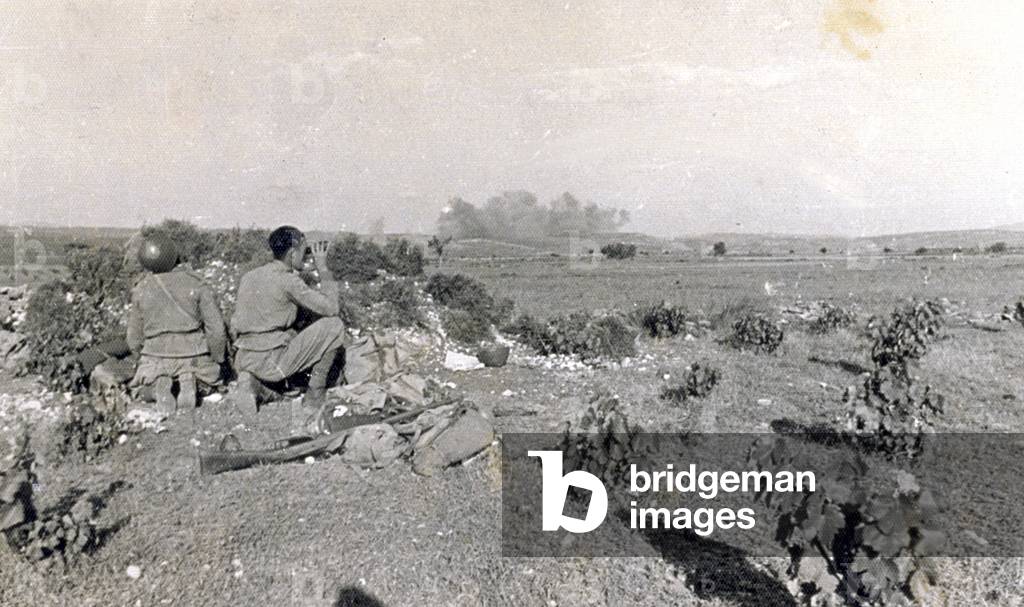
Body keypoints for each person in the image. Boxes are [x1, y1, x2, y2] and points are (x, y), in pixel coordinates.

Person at [230, 226, 346, 432]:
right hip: (272, 359)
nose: (305, 256)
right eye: (303, 251)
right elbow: (332, 308)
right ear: (292, 253)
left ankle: (252, 383)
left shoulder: (250, 276)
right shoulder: (288, 281)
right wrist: (322, 267)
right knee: (334, 326)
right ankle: (315, 394)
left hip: (244, 358)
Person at [126, 233, 227, 415]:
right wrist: (218, 359)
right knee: (210, 382)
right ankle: (189, 381)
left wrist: (141, 358)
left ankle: (158, 386)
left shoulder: (141, 289)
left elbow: (134, 338)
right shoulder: (196, 283)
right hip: (195, 358)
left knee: (140, 388)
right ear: (173, 255)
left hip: (155, 359)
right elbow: (216, 330)